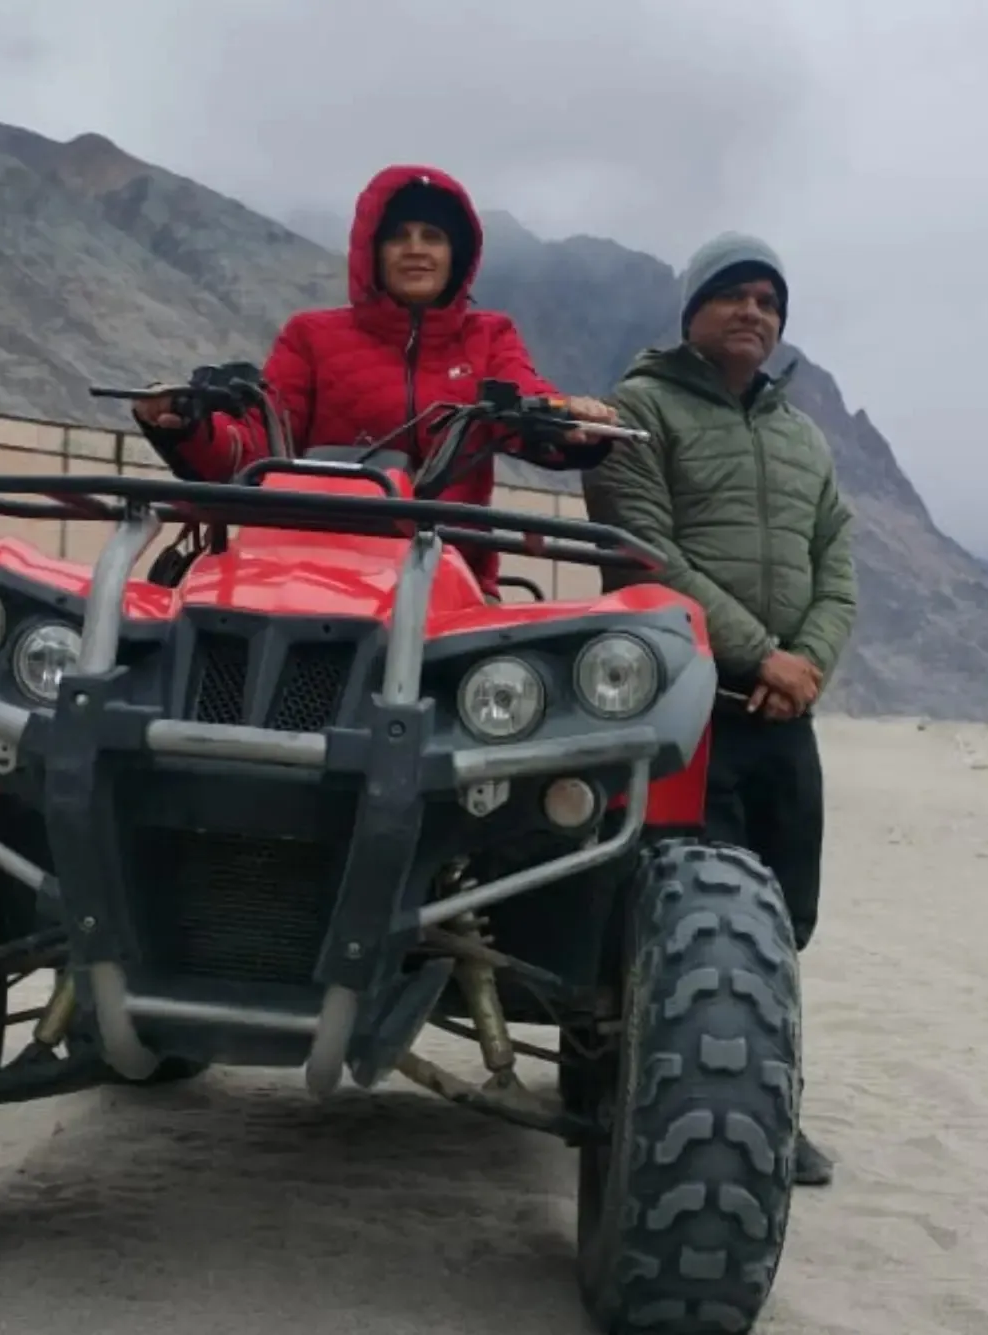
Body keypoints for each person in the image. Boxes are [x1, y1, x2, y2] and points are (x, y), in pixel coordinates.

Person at [581, 232, 858, 1187]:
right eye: (735, 295)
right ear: (692, 308)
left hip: (785, 716)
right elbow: (642, 548)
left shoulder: (802, 436)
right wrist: (763, 652)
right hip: (683, 707)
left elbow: (840, 567)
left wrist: (807, 662)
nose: (754, 313)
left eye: (769, 301)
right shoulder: (638, 411)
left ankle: (766, 1108)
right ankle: (606, 1086)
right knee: (666, 910)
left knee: (781, 920)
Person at [131, 163, 616, 600]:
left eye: (433, 236)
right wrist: (189, 425)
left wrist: (567, 422)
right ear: (373, 250)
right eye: (398, 235)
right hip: (306, 576)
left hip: (449, 581)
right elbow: (258, 442)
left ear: (457, 253)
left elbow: (524, 396)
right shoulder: (312, 336)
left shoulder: (490, 336)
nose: (415, 249)